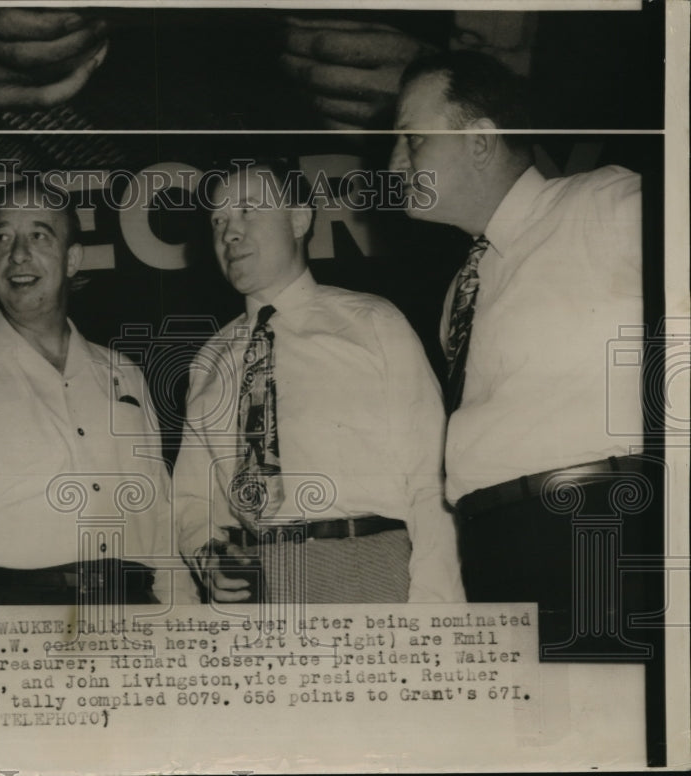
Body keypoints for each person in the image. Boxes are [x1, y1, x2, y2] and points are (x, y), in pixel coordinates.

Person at [389, 50, 647, 650]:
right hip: (495, 550)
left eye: (412, 141)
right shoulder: (462, 289)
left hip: (596, 534)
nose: (394, 163)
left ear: (480, 142)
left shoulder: (602, 203)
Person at [174, 159, 464, 604]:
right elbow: (192, 498)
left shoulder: (372, 322)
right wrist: (206, 555)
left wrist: (435, 606)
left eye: (249, 210)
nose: (230, 233)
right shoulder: (209, 360)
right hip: (252, 588)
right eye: (219, 220)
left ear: (299, 218)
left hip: (364, 567)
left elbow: (430, 481)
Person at [0, 175, 184, 605]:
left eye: (39, 235)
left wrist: (182, 627)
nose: (18, 254)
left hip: (139, 614)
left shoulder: (123, 373)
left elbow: (163, 518)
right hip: (26, 618)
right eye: (2, 238)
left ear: (72, 259)